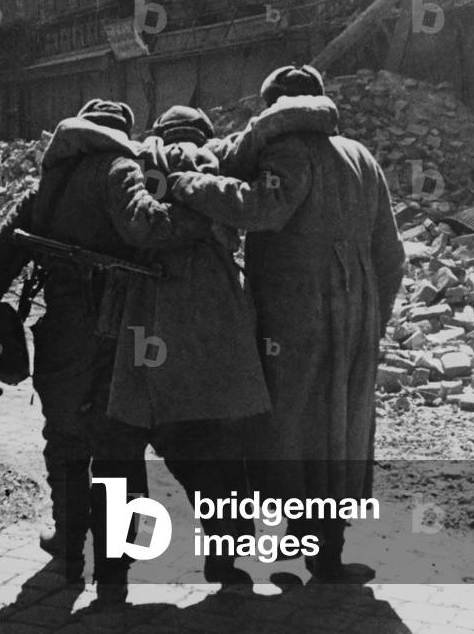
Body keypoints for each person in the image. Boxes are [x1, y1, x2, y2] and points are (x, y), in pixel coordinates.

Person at [0, 100, 222, 594]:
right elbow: (144, 227)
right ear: (121, 134)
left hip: (61, 332)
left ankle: (70, 541)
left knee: (66, 439)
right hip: (119, 332)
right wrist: (199, 218)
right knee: (118, 447)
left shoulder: (49, 186)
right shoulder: (118, 168)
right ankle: (114, 573)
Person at [166, 65, 407, 581]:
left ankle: (299, 545)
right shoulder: (361, 156)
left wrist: (189, 183)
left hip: (294, 319)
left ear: (270, 107)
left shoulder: (288, 150)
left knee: (288, 430)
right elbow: (392, 254)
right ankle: (326, 554)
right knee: (343, 430)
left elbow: (257, 209)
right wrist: (373, 318)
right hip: (356, 319)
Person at [89, 105, 271, 594]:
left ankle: (112, 570)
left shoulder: (135, 165)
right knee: (216, 454)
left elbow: (132, 229)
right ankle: (227, 561)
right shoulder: (217, 168)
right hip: (208, 328)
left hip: (142, 328)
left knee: (119, 456)